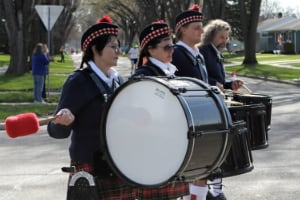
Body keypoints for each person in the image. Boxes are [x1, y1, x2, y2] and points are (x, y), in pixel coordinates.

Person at [47, 15, 138, 199]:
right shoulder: (78, 81)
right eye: (112, 46)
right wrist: (62, 122)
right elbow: (56, 131)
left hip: (117, 165)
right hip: (89, 170)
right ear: (96, 49)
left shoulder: (118, 80)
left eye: (118, 46)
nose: (118, 51)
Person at [132, 20, 189, 199]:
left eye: (172, 46)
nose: (172, 51)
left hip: (170, 146)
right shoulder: (143, 77)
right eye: (166, 47)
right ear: (150, 49)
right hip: (153, 150)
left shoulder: (169, 72)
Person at [171, 4, 210, 200]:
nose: (201, 30)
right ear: (182, 30)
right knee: (191, 171)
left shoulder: (197, 53)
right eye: (196, 27)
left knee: (202, 170)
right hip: (187, 120)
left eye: (201, 26)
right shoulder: (177, 53)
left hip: (202, 116)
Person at [199, 19, 243, 93]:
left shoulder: (218, 53)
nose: (225, 42)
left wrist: (231, 85)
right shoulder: (202, 51)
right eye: (221, 37)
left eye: (226, 38)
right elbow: (197, 77)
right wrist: (213, 83)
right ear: (211, 36)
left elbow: (220, 82)